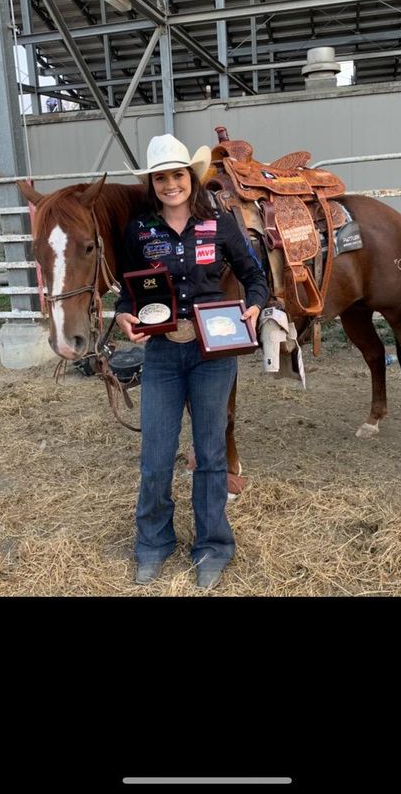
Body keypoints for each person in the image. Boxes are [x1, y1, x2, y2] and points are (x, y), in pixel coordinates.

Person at [114, 134, 269, 590]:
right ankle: (153, 544)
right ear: (153, 183)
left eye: (177, 175)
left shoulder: (219, 223)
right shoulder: (139, 231)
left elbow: (254, 277)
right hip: (162, 354)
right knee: (156, 457)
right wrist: (124, 314)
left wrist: (255, 306)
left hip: (213, 354)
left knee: (209, 453)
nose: (170, 184)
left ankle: (212, 547)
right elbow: (129, 291)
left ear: (191, 178)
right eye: (160, 177)